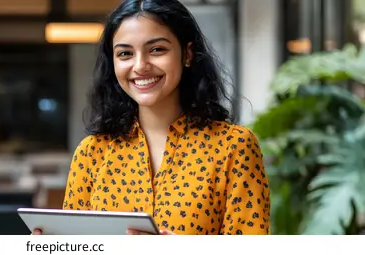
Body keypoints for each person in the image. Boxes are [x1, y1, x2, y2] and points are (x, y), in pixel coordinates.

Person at [34, 0, 270, 235]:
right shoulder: (91, 153)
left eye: (157, 49)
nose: (140, 66)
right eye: (125, 54)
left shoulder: (233, 147)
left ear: (187, 54)